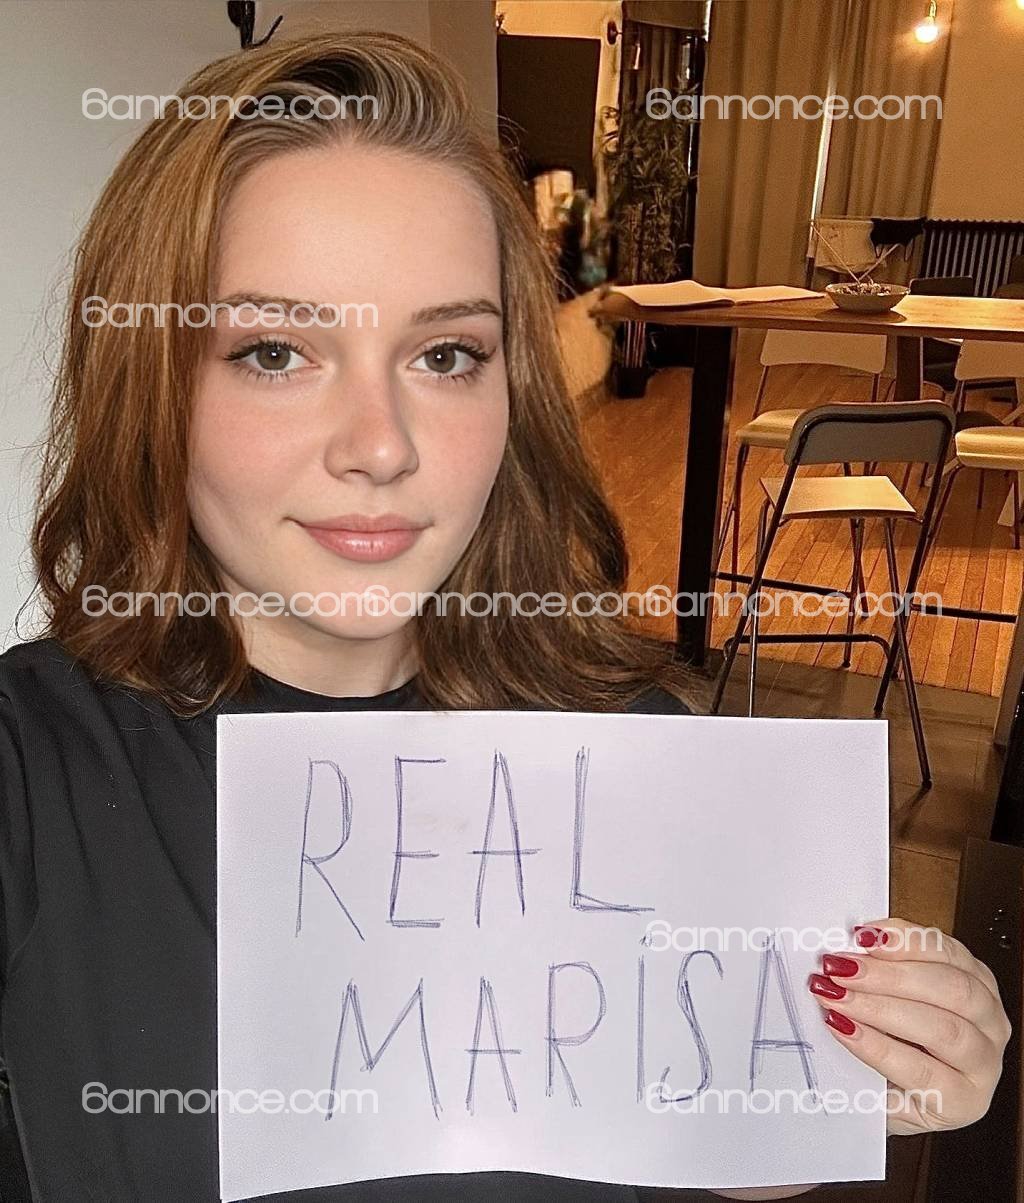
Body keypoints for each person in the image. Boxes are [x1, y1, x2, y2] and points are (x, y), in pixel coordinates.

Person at [0, 31, 1010, 1203]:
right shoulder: (30, 773)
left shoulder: (635, 751)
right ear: (152, 381)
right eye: (274, 351)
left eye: (444, 354)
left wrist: (868, 1071)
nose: (380, 447)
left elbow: (717, 1161)